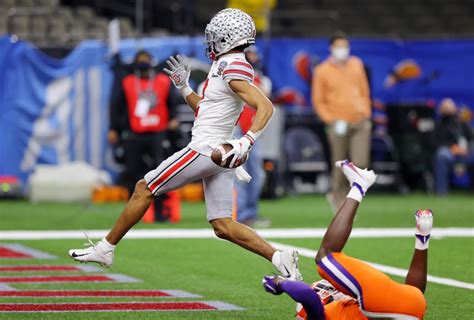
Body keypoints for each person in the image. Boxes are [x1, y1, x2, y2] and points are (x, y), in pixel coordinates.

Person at [68, 8, 302, 281]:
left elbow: (265, 106)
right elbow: (207, 110)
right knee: (223, 225)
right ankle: (279, 257)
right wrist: (184, 88)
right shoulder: (225, 65)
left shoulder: (231, 64)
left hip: (206, 148)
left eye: (216, 36)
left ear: (229, 37)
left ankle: (105, 249)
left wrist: (247, 140)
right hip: (216, 149)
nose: (211, 41)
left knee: (145, 187)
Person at [263, 160, 431, 319]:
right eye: (321, 290)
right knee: (325, 257)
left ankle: (422, 238)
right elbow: (307, 296)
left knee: (412, 294)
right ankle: (359, 185)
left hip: (413, 310)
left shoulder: (348, 309)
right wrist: (280, 283)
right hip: (381, 306)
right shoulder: (319, 314)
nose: (326, 289)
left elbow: (411, 297)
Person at [108, 50, 180, 221]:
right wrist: (114, 129)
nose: (143, 64)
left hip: (158, 133)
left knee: (160, 173)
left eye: (145, 60)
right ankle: (131, 214)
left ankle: (161, 212)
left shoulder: (162, 81)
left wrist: (173, 119)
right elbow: (116, 106)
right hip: (134, 133)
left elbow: (172, 102)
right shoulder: (127, 82)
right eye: (140, 61)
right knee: (132, 173)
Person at [312, 32, 372, 213]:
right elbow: (318, 100)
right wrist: (330, 119)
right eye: (339, 46)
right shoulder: (322, 70)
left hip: (359, 120)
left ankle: (351, 199)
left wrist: (366, 111)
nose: (342, 50)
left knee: (359, 163)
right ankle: (338, 199)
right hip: (337, 122)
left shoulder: (356, 64)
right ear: (331, 48)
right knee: (340, 163)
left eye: (345, 46)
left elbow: (364, 90)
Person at [236, 45, 272, 227]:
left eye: (254, 54)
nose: (253, 57)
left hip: (253, 130)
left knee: (255, 173)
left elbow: (263, 100)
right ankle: (240, 213)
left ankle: (250, 211)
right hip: (235, 128)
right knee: (238, 173)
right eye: (249, 54)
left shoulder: (262, 79)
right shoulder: (233, 74)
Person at [433, 98, 474, 195]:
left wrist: (467, 148)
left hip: (464, 152)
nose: (448, 110)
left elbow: (470, 137)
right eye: (445, 108)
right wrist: (452, 147)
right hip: (448, 152)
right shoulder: (439, 125)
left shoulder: (461, 123)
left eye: (450, 107)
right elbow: (435, 142)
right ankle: (441, 192)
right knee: (441, 156)